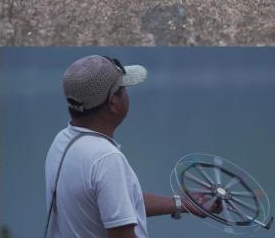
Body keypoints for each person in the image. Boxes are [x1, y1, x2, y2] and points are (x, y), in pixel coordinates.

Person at [45, 55, 220, 238]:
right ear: (113, 102)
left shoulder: (63, 140)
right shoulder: (106, 159)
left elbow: (115, 202)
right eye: (124, 89)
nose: (127, 94)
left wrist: (181, 203)